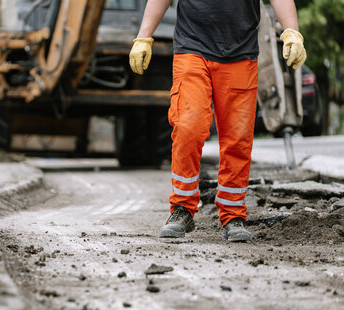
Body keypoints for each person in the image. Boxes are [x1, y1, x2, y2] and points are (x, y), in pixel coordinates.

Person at [129, 0, 306, 242]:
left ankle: (233, 215)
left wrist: (291, 31)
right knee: (188, 126)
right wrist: (144, 36)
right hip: (192, 49)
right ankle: (182, 208)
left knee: (238, 138)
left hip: (240, 53)